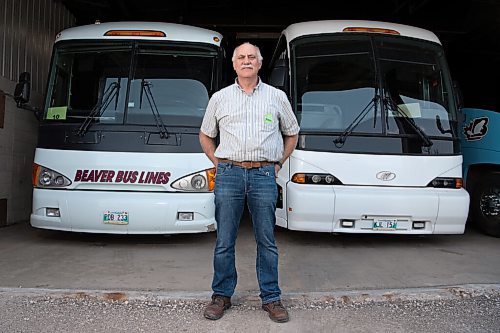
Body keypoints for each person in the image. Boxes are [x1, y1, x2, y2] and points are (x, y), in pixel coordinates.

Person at [199, 42, 299, 323]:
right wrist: (217, 162)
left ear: (259, 63)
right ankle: (221, 296)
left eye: (251, 57)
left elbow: (292, 133)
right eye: (241, 57)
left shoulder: (277, 97)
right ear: (234, 64)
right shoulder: (219, 98)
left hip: (264, 174)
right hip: (228, 173)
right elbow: (206, 134)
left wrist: (278, 161)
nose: (246, 61)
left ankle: (271, 298)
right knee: (224, 240)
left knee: (266, 240)